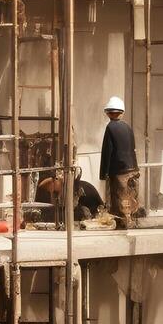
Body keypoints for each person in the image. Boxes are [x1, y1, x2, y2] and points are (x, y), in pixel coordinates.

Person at [99, 95, 140, 230]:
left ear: (108, 113)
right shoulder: (128, 127)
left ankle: (123, 222)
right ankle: (132, 219)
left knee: (120, 197)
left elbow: (107, 152)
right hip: (132, 168)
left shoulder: (110, 128)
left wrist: (104, 172)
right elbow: (132, 148)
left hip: (119, 170)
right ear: (121, 112)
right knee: (132, 194)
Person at [35, 169, 105, 224]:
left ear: (56, 180)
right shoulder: (70, 187)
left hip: (93, 216)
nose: (52, 192)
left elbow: (73, 212)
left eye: (52, 189)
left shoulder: (74, 189)